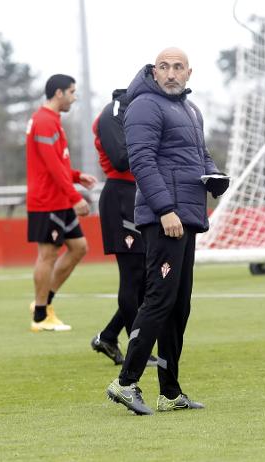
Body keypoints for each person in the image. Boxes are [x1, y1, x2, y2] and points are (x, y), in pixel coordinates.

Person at [106, 48, 229, 415]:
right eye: (164, 67)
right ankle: (125, 383)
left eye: (178, 67)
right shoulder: (145, 105)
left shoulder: (191, 110)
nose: (171, 73)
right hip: (166, 217)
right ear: (154, 72)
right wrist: (165, 210)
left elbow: (199, 155)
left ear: (189, 72)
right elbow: (141, 161)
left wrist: (215, 177)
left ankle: (170, 392)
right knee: (159, 299)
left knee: (179, 305)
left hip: (187, 214)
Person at [90, 88, 157, 367]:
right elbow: (119, 158)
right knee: (132, 276)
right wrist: (151, 148)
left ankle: (108, 336)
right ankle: (136, 350)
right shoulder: (113, 112)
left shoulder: (138, 112)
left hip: (139, 195)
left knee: (143, 279)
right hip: (121, 197)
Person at [26, 74, 97, 332]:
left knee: (79, 248)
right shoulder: (43, 121)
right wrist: (75, 196)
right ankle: (40, 317)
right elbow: (51, 166)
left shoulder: (51, 120)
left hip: (59, 198)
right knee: (47, 255)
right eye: (72, 92)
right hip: (48, 201)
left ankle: (43, 304)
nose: (74, 97)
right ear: (59, 93)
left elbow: (58, 162)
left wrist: (77, 176)